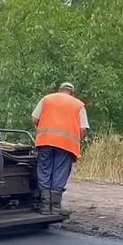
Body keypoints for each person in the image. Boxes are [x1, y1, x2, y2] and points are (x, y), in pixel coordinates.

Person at [32, 82, 89, 215]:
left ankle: (44, 206)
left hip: (45, 141)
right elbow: (83, 129)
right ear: (72, 93)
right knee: (60, 172)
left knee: (44, 170)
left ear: (59, 90)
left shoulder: (47, 99)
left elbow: (35, 118)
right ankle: (55, 206)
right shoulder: (78, 105)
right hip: (66, 144)